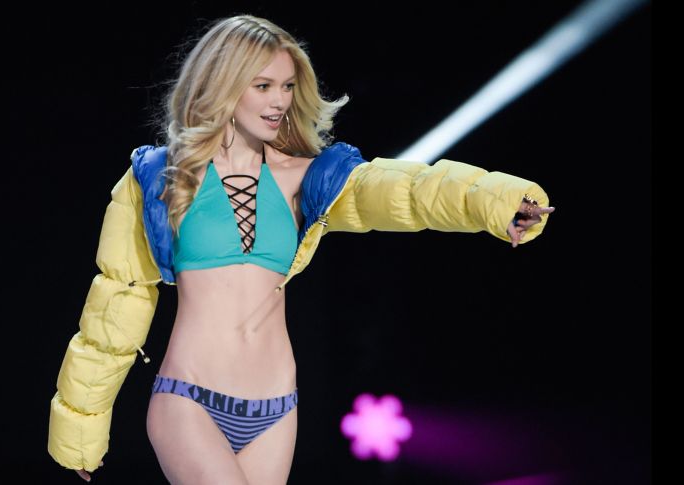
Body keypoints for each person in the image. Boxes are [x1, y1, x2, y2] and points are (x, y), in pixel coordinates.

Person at [47, 14, 555, 484]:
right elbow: (116, 303)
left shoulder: (309, 179)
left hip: (276, 408)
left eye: (287, 86)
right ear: (222, 84)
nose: (280, 101)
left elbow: (408, 191)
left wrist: (499, 201)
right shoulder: (159, 178)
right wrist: (80, 429)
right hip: (189, 399)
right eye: (263, 85)